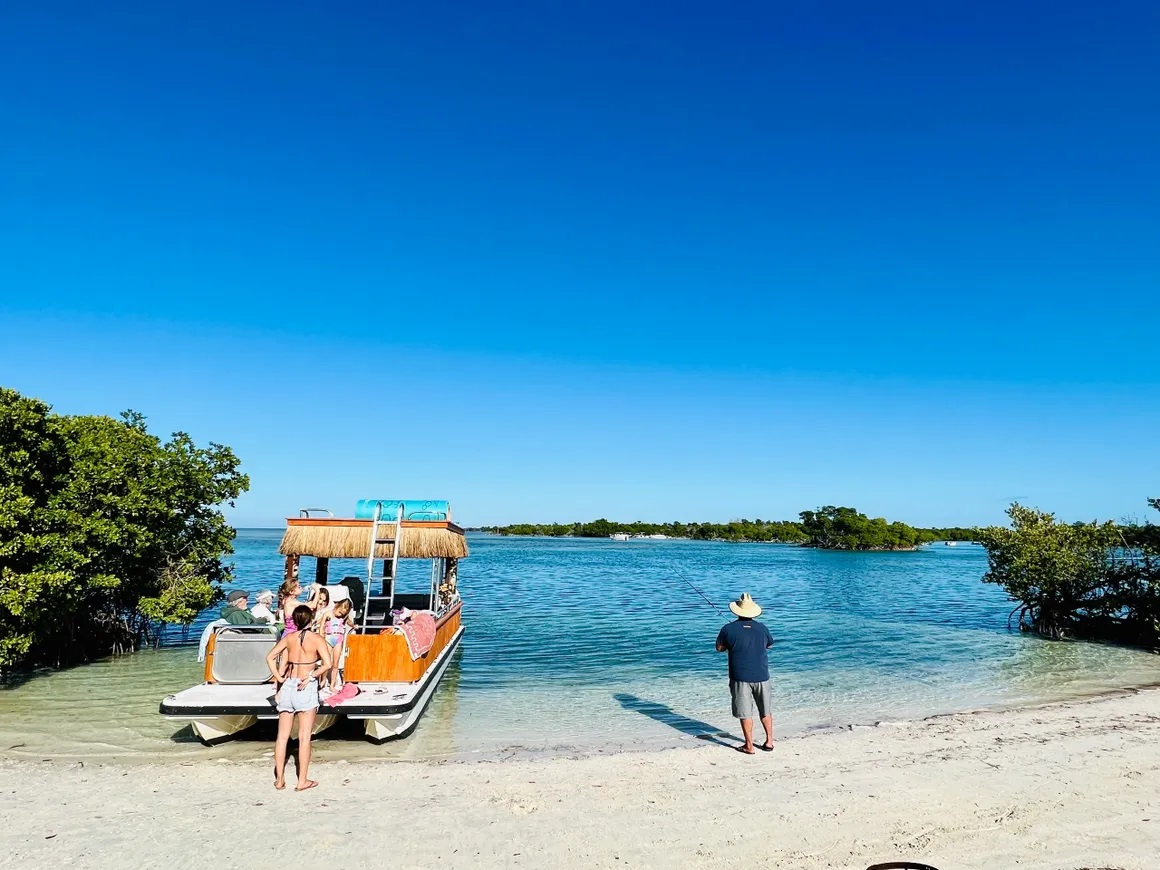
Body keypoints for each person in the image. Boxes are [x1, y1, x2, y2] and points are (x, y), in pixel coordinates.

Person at [265, 605, 332, 792]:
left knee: (282, 737)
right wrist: (312, 676)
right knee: (304, 737)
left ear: (294, 621)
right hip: (305, 685)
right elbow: (328, 663)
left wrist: (279, 678)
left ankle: (279, 780)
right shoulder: (316, 639)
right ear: (311, 620)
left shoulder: (289, 638)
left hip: (288, 684)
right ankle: (302, 781)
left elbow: (270, 657)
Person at [715, 592, 775, 755]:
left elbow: (719, 648)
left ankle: (749, 746)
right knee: (765, 710)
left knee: (745, 712)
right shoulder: (762, 628)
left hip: (740, 677)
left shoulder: (727, 629)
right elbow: (769, 645)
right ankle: (769, 741)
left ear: (737, 611)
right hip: (762, 675)